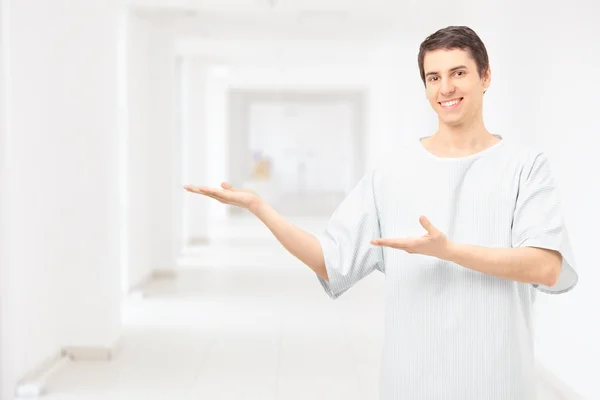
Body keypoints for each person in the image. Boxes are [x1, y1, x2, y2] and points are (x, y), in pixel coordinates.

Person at [184, 25, 578, 400]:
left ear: (486, 76)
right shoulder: (393, 172)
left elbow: (545, 266)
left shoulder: (524, 167)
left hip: (499, 380)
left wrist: (449, 251)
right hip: (413, 379)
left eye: (458, 73)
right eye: (433, 77)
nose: (446, 88)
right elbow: (330, 262)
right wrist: (260, 208)